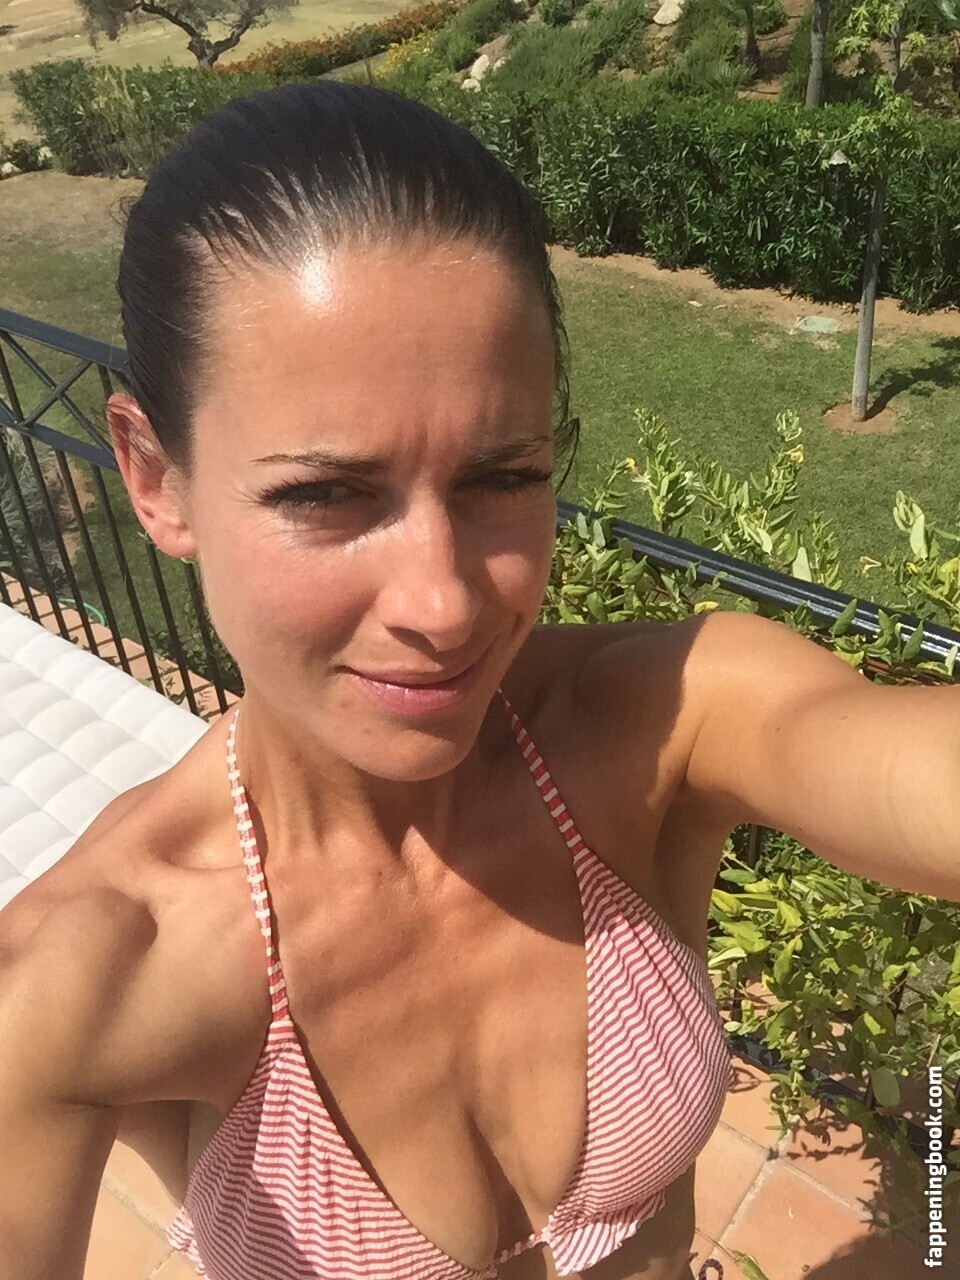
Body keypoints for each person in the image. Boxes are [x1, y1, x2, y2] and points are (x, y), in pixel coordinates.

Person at [3, 80, 955, 1280]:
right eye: (324, 493)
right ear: (156, 479)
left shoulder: (655, 724)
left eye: (502, 477)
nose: (446, 602)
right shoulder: (92, 978)